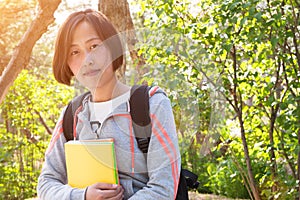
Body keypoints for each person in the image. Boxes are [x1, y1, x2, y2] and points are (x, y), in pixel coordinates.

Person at [37, 9, 181, 200]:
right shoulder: (71, 115)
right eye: (74, 52)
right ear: (67, 63)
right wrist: (83, 196)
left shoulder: (152, 105)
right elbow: (46, 183)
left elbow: (163, 189)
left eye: (94, 46)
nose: (87, 60)